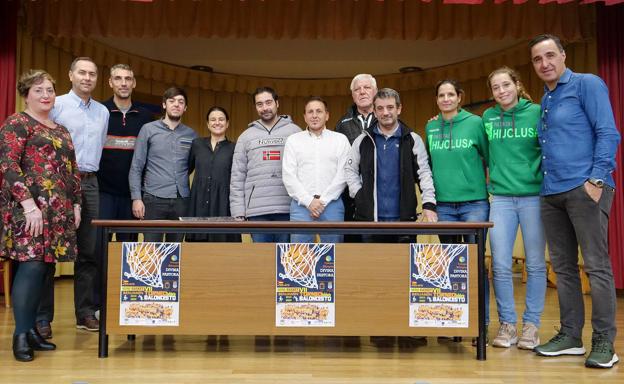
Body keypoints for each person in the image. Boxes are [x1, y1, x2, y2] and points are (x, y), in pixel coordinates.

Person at [529, 34, 621, 369]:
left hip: (586, 188)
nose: (545, 64)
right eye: (538, 59)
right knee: (564, 268)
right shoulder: (547, 98)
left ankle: (604, 343)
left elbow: (608, 132)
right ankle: (570, 335)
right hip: (551, 192)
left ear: (564, 56)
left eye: (550, 55)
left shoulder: (587, 84)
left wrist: (596, 179)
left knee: (596, 266)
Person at [345, 87, 436, 348]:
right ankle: (380, 327)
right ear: (374, 110)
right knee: (376, 279)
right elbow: (349, 171)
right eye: (380, 108)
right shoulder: (363, 140)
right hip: (370, 222)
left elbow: (425, 174)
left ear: (399, 109)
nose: (385, 113)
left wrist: (429, 204)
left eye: (390, 108)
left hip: (403, 220)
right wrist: (359, 194)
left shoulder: (412, 139)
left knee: (408, 278)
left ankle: (409, 329)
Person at [0, 70, 81, 361]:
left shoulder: (60, 129)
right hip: (29, 211)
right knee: (32, 267)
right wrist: (28, 205)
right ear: (26, 95)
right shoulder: (17, 123)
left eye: (49, 90)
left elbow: (72, 171)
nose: (45, 95)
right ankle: (20, 335)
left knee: (46, 271)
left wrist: (76, 205)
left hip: (58, 211)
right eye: (38, 90)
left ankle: (33, 330)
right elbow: (8, 165)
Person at [482, 67, 547, 350]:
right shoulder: (487, 117)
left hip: (533, 197)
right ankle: (507, 325)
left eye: (506, 85)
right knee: (499, 264)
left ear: (517, 84)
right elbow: (483, 153)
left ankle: (531, 326)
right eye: (496, 87)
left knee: (534, 264)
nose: (501, 91)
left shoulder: (536, 112)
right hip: (501, 199)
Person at [45, 57, 109, 335]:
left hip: (90, 183)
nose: (87, 77)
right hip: (58, 182)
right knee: (49, 251)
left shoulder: (103, 112)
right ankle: (42, 318)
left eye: (92, 74)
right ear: (70, 75)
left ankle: (84, 313)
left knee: (90, 251)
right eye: (82, 72)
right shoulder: (56, 104)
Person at [424, 79, 490, 343]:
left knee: (475, 264)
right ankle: (453, 321)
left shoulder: (475, 123)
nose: (446, 99)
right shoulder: (430, 126)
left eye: (451, 94)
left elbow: (488, 156)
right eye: (442, 95)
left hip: (474, 203)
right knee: (450, 267)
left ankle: (480, 325)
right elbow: (428, 165)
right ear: (437, 99)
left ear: (459, 97)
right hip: (444, 206)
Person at [230, 87, 301, 242]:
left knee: (286, 260)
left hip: (288, 209)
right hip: (257, 211)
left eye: (268, 102)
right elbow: (237, 176)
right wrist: (238, 211)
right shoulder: (245, 137)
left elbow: (304, 170)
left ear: (277, 103)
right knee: (260, 262)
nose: (265, 108)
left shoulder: (295, 132)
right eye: (260, 104)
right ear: (255, 107)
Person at [129, 87, 198, 242]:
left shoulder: (192, 135)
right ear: (164, 104)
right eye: (172, 101)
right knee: (152, 252)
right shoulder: (148, 129)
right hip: (153, 199)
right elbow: (136, 166)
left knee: (176, 253)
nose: (176, 105)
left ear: (185, 108)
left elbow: (191, 165)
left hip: (181, 200)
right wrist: (136, 198)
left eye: (181, 102)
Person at [282, 97, 351, 243]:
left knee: (334, 256)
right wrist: (309, 202)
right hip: (301, 206)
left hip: (332, 204)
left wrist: (322, 201)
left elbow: (343, 174)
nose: (314, 115)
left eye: (319, 111)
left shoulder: (340, 140)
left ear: (327, 115)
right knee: (299, 258)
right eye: (310, 112)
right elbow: (289, 176)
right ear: (305, 117)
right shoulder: (293, 140)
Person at [99, 64, 153, 241]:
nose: (123, 83)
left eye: (128, 79)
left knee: (127, 253)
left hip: (133, 195)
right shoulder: (99, 112)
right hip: (102, 193)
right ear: (110, 82)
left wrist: (140, 194)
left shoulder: (145, 117)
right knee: (99, 248)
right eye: (118, 78)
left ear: (134, 83)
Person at [187, 106, 240, 242]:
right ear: (208, 124)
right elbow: (185, 170)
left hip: (223, 204)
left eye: (221, 119)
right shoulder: (197, 144)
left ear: (227, 123)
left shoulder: (234, 148)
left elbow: (239, 178)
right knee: (197, 250)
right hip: (198, 204)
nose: (217, 122)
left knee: (223, 247)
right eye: (213, 119)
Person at [336, 74, 378, 242]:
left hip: (381, 194)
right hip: (351, 198)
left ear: (375, 91)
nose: (362, 92)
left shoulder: (388, 119)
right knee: (353, 249)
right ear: (353, 95)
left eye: (367, 88)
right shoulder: (342, 124)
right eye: (357, 89)